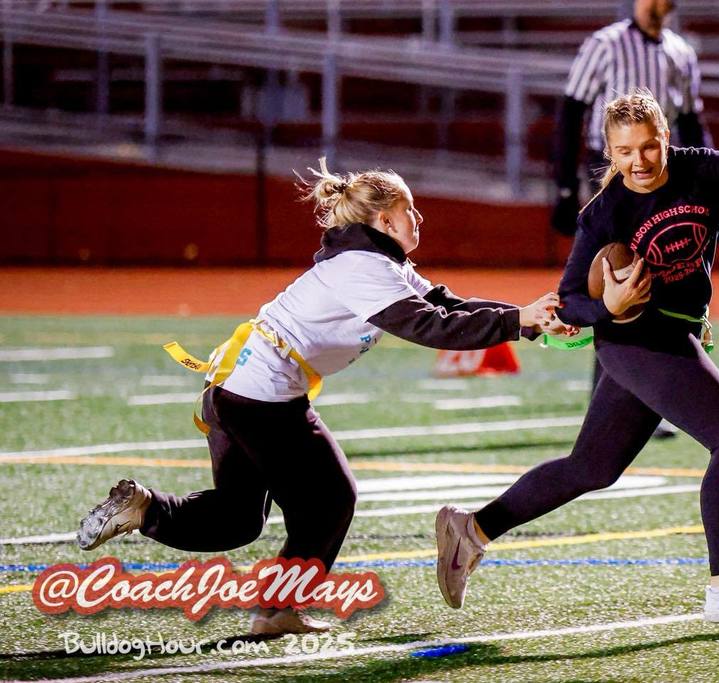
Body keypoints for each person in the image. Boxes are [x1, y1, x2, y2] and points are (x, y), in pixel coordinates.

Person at [436, 90, 719, 623]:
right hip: (636, 340)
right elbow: (572, 303)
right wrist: (606, 304)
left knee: (592, 467)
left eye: (649, 147)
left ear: (665, 138)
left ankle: (470, 530)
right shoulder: (603, 214)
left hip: (672, 334)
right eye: (625, 151)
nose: (639, 162)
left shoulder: (703, 172)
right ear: (610, 152)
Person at [76, 159, 572, 636]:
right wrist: (519, 320)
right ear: (384, 218)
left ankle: (143, 508)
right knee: (331, 500)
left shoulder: (376, 262)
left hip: (242, 389)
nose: (418, 218)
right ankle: (276, 611)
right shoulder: (365, 267)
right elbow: (429, 326)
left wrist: (527, 319)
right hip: (260, 395)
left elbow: (444, 303)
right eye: (411, 210)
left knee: (236, 517)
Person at [552, 0, 719, 438]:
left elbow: (690, 121)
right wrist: (564, 185)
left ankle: (647, 398)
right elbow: (571, 109)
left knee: (661, 280)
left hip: (666, 176)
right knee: (616, 280)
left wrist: (712, 192)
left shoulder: (680, 51)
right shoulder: (605, 43)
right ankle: (613, 403)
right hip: (613, 173)